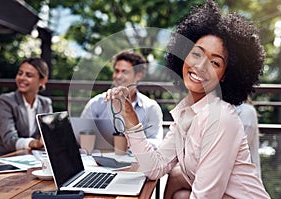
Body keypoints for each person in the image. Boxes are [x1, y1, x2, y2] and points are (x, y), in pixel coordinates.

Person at [105, 1, 270, 198]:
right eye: (196, 53)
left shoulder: (221, 119)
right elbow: (154, 167)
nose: (200, 66)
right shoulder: (188, 111)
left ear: (225, 75)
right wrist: (130, 118)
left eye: (215, 62)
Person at [164, 99, 262, 198]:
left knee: (176, 176)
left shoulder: (245, 112)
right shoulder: (207, 109)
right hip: (213, 171)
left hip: (235, 180)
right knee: (180, 196)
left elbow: (222, 156)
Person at [80, 50, 163, 149]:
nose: (118, 76)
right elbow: (81, 133)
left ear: (138, 75)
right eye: (116, 71)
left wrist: (130, 144)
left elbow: (156, 142)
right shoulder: (97, 103)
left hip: (136, 161)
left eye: (125, 71)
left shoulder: (151, 107)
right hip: (100, 160)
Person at [0, 57, 52, 157]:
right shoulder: (5, 101)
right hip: (6, 159)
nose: (22, 78)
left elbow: (47, 136)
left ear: (42, 81)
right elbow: (9, 141)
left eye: (28, 75)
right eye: (20, 73)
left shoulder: (45, 103)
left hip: (31, 158)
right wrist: (34, 143)